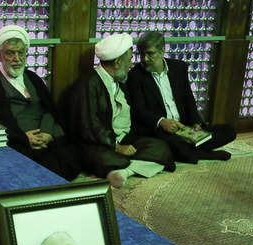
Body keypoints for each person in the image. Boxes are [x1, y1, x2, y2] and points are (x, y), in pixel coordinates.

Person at [0, 25, 83, 181]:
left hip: (45, 137)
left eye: (21, 52)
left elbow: (49, 109)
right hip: (15, 141)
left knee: (73, 150)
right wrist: (23, 137)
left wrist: (47, 133)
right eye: (10, 53)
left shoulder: (33, 78)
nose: (17, 59)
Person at [66, 33, 175, 188]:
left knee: (161, 148)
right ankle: (129, 166)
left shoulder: (119, 79)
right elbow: (88, 126)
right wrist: (116, 146)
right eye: (129, 60)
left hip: (123, 138)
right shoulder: (89, 84)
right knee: (105, 159)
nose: (131, 65)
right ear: (117, 62)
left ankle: (125, 172)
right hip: (100, 144)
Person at [127, 31, 236, 163]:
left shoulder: (179, 67)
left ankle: (191, 151)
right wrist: (162, 121)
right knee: (170, 145)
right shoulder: (135, 76)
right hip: (161, 130)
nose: (145, 59)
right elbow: (139, 111)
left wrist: (196, 122)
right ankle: (205, 154)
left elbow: (188, 98)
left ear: (162, 51)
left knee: (229, 131)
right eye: (141, 54)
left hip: (184, 126)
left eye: (150, 53)